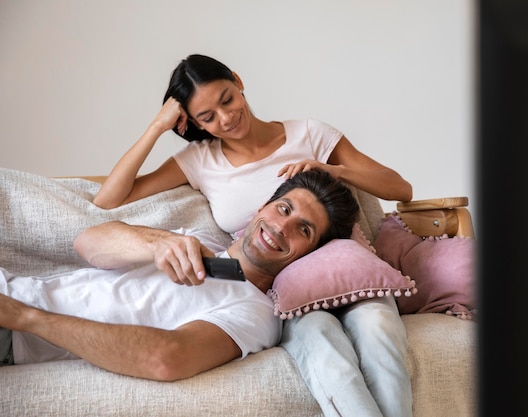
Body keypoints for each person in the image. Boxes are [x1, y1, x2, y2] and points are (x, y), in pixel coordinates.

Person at [92, 54, 413, 417]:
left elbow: (400, 188)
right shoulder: (200, 161)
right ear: (192, 122)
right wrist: (156, 127)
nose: (226, 118)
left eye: (227, 99)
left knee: (379, 325)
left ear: (238, 81)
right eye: (207, 116)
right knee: (323, 342)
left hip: (349, 271)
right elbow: (108, 199)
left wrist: (332, 169)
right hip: (282, 290)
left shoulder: (309, 134)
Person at [0, 170, 360, 382]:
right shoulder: (198, 239)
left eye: (304, 230)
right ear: (262, 207)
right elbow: (88, 243)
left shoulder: (257, 314)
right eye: (283, 209)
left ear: (312, 255)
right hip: (11, 288)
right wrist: (157, 243)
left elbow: (166, 357)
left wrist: (27, 318)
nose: (281, 227)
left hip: (13, 331)